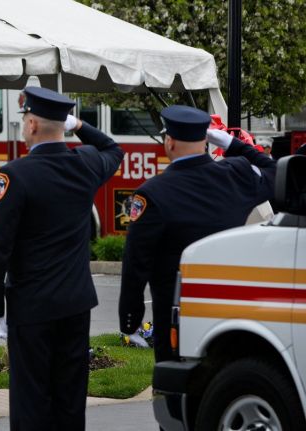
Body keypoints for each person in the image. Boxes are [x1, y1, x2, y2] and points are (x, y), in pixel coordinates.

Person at [0, 87, 123, 430]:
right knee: (70, 398)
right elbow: (113, 149)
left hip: (32, 306)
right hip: (75, 303)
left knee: (31, 399)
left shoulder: (15, 175)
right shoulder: (85, 163)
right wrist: (78, 125)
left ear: (31, 124)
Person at [118, 105, 277, 363]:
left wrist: (130, 319)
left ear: (169, 142)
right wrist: (233, 144)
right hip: (230, 312)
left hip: (179, 316)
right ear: (206, 141)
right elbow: (274, 171)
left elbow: (136, 263)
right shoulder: (236, 174)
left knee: (177, 389)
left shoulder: (152, 193)